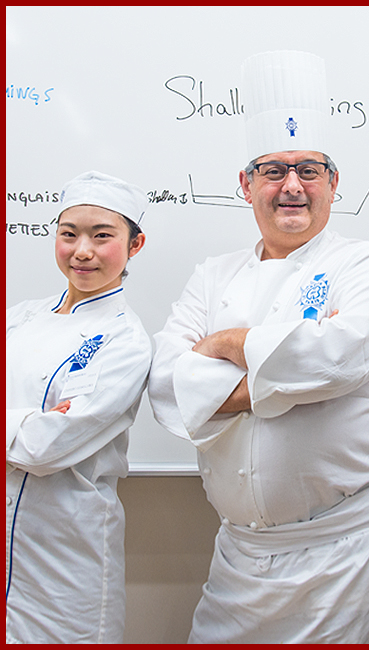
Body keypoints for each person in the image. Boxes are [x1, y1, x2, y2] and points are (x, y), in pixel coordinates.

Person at [147, 50, 369, 643]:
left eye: (309, 170)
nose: (291, 186)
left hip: (351, 560)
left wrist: (226, 345)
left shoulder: (368, 262)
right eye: (272, 170)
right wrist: (284, 376)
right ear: (246, 185)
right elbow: (169, 383)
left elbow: (340, 357)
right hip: (239, 566)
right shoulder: (212, 275)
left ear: (334, 182)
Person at [6, 171, 151, 643]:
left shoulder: (125, 341)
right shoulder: (19, 318)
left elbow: (41, 449)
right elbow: (31, 433)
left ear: (135, 245)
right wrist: (29, 420)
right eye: (69, 234)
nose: (81, 251)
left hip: (63, 549)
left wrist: (32, 428)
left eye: (102, 236)